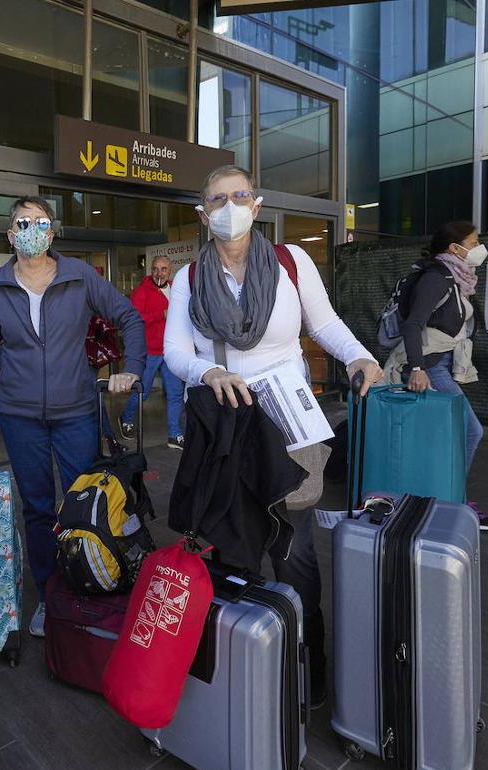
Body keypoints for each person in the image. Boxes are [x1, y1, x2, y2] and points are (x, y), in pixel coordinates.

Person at [164, 165, 383, 708]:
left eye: (239, 195)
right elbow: (175, 352)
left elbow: (324, 323)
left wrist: (359, 355)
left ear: (256, 205)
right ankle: (246, 666)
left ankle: (308, 675)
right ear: (203, 212)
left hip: (288, 417)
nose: (230, 205)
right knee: (234, 544)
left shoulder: (291, 262)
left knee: (295, 547)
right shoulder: (187, 279)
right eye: (217, 198)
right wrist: (206, 372)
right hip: (226, 421)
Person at [0, 196, 145, 638]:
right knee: (35, 509)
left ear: (51, 233)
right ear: (10, 234)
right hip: (19, 414)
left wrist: (133, 369)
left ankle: (85, 590)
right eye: (21, 222)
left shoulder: (80, 276)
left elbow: (129, 316)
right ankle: (51, 598)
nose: (31, 229)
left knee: (82, 504)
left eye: (40, 222)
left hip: (76, 411)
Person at [391, 220, 488, 531]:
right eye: (474, 241)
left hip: (438, 363)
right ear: (455, 248)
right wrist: (416, 368)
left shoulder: (457, 279)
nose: (478, 248)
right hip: (428, 366)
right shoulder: (437, 278)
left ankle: (436, 498)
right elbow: (413, 325)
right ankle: (450, 501)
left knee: (442, 436)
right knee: (469, 431)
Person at [118, 255, 184, 449]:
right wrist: (160, 314)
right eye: (155, 269)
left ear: (170, 270)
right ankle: (126, 417)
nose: (159, 273)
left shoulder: (177, 288)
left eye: (163, 269)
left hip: (171, 350)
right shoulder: (141, 292)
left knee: (175, 393)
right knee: (143, 391)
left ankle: (174, 434)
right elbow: (135, 319)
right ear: (151, 270)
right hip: (150, 351)